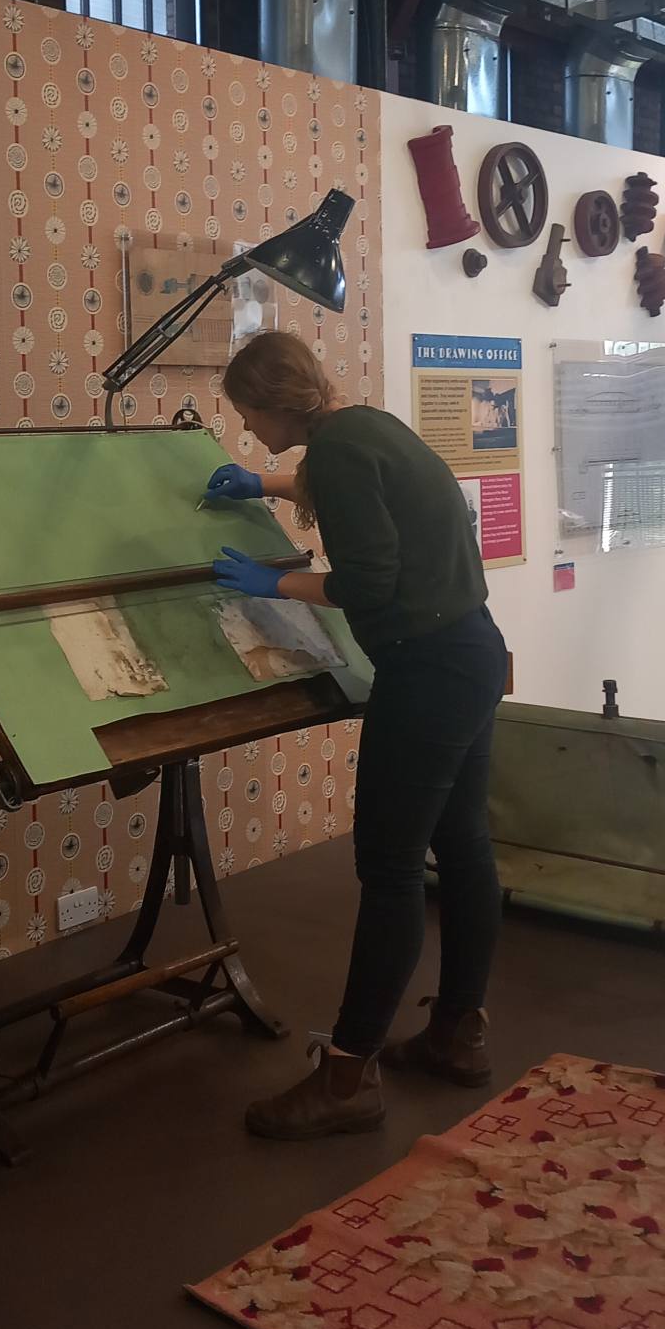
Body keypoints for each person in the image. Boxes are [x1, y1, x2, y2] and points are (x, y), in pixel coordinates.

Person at [203, 329, 508, 1142]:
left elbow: (366, 580)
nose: (249, 431)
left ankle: (346, 1075)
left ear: (267, 404)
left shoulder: (333, 456)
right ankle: (457, 1033)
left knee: (389, 866)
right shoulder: (364, 426)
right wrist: (261, 485)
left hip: (425, 671)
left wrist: (272, 580)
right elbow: (333, 479)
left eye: (246, 416)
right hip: (474, 652)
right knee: (465, 845)